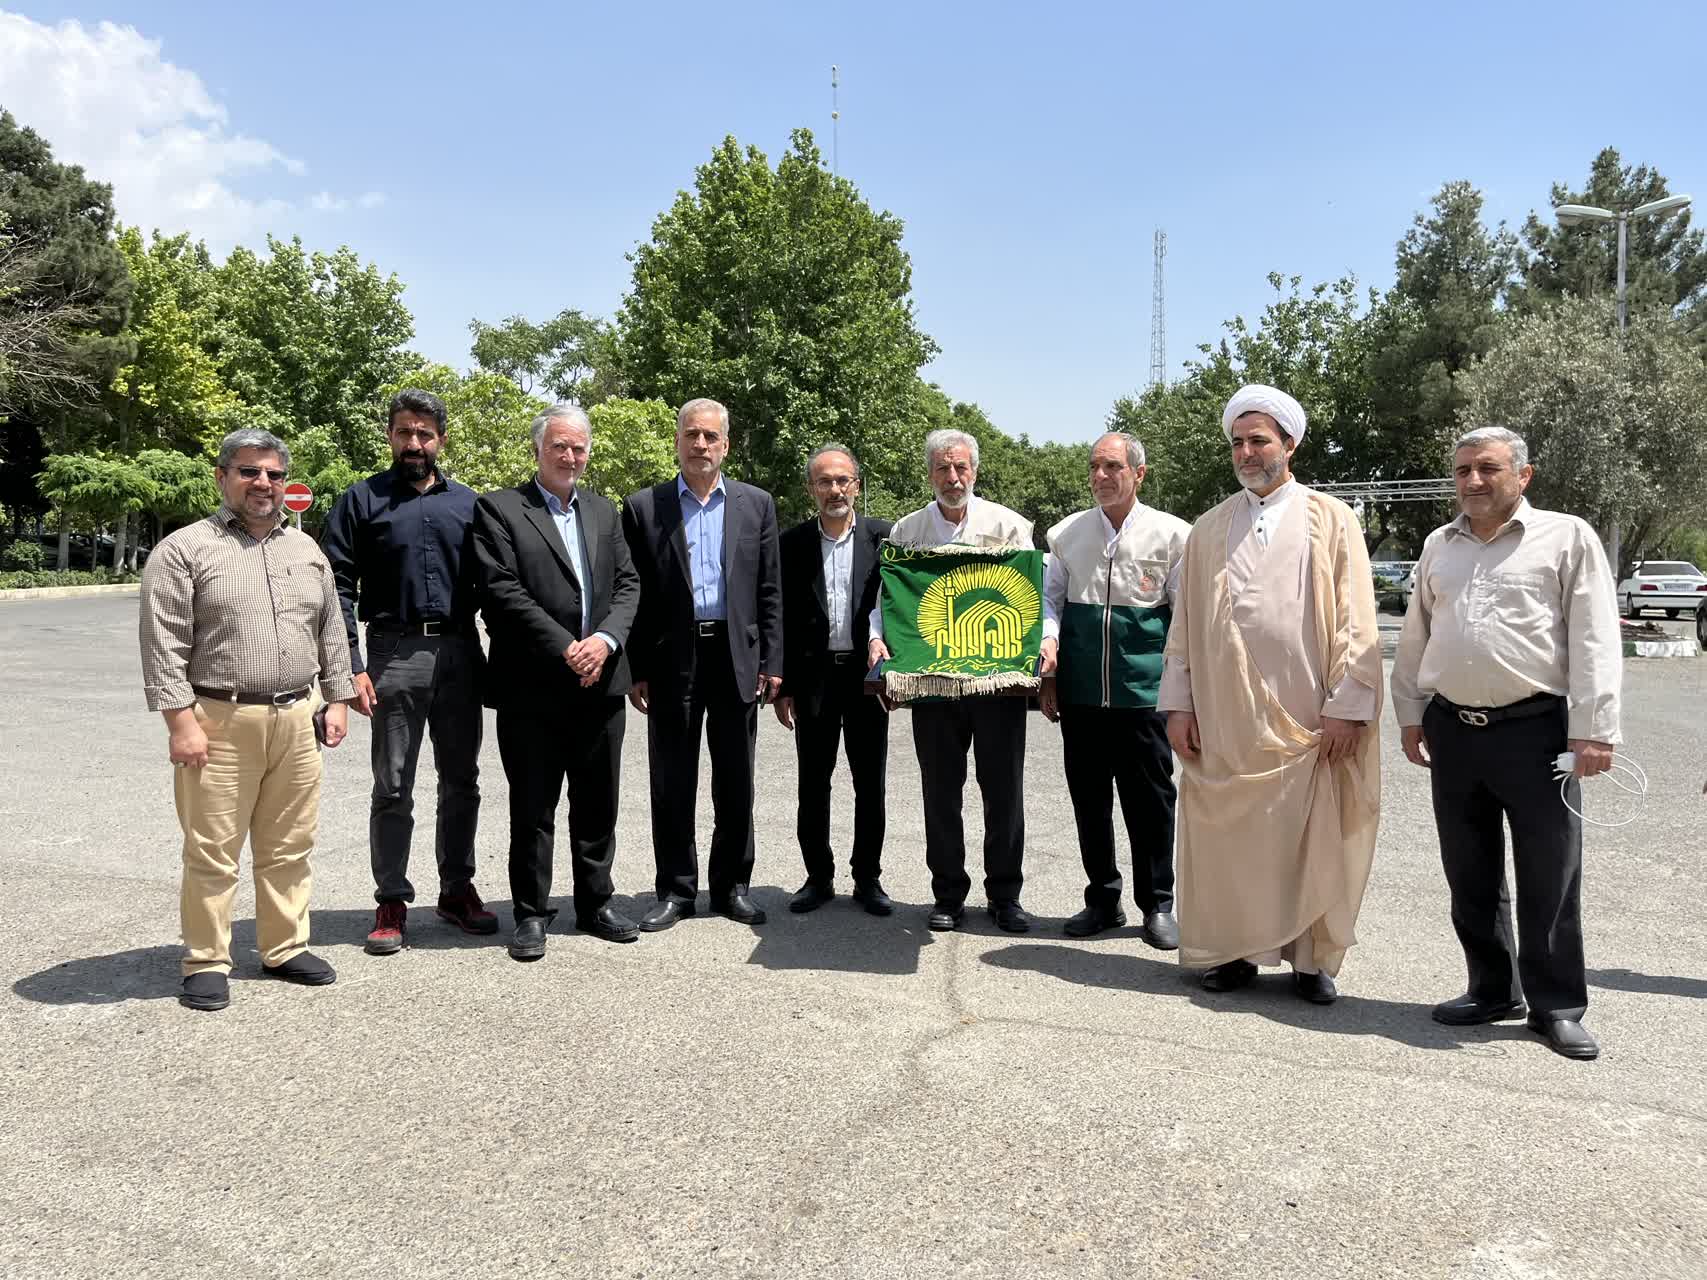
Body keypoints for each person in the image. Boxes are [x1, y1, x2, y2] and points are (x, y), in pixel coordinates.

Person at [1391, 426, 1621, 1060]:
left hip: (1536, 732)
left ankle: (1557, 1006)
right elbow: (1416, 636)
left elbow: (1595, 637)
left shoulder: (1567, 537)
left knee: (1551, 871)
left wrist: (1594, 729)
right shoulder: (1439, 545)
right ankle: (1491, 989)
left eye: (1487, 468)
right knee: (1469, 871)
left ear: (1523, 475)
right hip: (1453, 730)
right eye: (1463, 469)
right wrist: (1410, 714)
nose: (1472, 480)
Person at [1157, 385, 1381, 1004]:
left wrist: (1348, 707)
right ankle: (1234, 953)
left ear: (1290, 444)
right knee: (1229, 839)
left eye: (1259, 440)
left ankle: (1311, 961)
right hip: (1224, 719)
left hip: (1308, 718)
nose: (1246, 452)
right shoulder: (1208, 528)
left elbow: (1357, 620)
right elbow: (1183, 628)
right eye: (1238, 442)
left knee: (1309, 837)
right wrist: (1179, 704)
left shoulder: (1331, 519)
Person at [138, 428, 355, 1012]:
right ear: (222, 477)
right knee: (213, 850)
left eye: (274, 474)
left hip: (298, 717)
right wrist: (180, 723)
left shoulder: (305, 551)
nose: (264, 483)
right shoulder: (185, 550)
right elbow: (164, 645)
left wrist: (337, 699)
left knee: (290, 844)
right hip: (218, 719)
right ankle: (206, 960)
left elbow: (330, 629)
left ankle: (284, 947)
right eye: (249, 471)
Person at [322, 389, 493, 956]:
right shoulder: (361, 500)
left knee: (461, 780)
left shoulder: (469, 505)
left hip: (460, 650)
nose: (414, 442)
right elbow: (335, 588)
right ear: (390, 436)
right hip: (392, 653)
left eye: (424, 433)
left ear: (440, 439)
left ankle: (456, 889)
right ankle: (391, 899)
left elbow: (496, 587)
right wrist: (350, 666)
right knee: (393, 785)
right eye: (404, 432)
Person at [472, 404, 642, 959]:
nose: (570, 456)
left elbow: (628, 584)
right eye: (559, 446)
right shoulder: (499, 509)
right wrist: (567, 646)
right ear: (538, 450)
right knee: (533, 806)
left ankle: (595, 903)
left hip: (601, 682)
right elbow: (501, 590)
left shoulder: (604, 511)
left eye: (578, 447)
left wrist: (605, 641)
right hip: (532, 687)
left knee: (598, 803)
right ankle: (531, 912)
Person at [621, 398, 783, 930]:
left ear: (726, 445)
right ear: (677, 441)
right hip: (672, 657)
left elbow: (769, 589)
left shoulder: (756, 505)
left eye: (711, 436)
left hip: (737, 655)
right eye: (692, 434)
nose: (701, 444)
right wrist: (636, 667)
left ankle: (732, 886)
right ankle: (676, 889)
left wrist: (772, 660)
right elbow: (633, 593)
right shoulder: (644, 507)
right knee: (672, 779)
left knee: (736, 778)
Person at [867, 428, 1035, 933]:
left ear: (975, 471)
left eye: (961, 467)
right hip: (933, 684)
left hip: (997, 684)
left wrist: (1045, 642)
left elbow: (1037, 596)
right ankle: (948, 894)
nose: (953, 477)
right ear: (930, 474)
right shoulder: (908, 529)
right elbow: (886, 601)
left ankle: (1005, 896)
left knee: (1003, 792)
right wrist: (876, 638)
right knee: (940, 793)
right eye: (943, 468)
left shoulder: (1009, 526)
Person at [1039, 431, 1190, 947]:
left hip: (1144, 696)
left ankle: (1158, 904)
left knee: (1151, 804)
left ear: (1138, 474)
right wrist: (1050, 654)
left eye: (1113, 467)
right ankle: (1102, 899)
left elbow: (1185, 619)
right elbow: (1050, 603)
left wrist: (1183, 694)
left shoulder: (1174, 536)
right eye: (1094, 467)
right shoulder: (1066, 534)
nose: (1101, 476)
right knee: (1089, 800)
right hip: (1082, 695)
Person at [776, 443, 894, 916]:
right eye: (824, 481)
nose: (834, 489)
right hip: (814, 679)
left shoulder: (885, 539)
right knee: (813, 783)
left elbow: (903, 607)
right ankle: (818, 877)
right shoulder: (791, 544)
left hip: (867, 679)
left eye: (843, 480)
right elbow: (781, 616)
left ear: (857, 486)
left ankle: (868, 877)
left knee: (870, 784)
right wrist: (784, 685)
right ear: (812, 489)